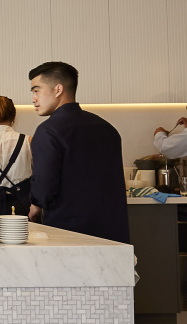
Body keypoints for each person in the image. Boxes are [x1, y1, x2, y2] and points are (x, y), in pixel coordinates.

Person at [27, 61, 129, 243]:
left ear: (58, 90)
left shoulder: (48, 131)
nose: (33, 98)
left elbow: (44, 185)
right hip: (113, 233)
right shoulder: (108, 129)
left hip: (69, 234)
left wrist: (36, 204)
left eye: (36, 91)